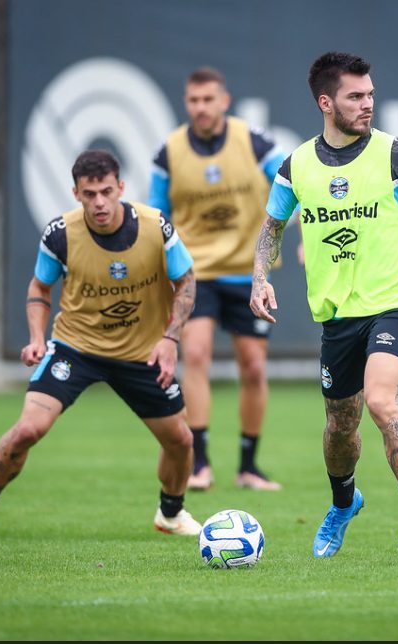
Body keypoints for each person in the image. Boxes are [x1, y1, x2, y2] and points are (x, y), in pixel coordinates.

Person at [250, 52, 398, 558]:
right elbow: (271, 228)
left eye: (370, 95)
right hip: (336, 316)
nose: (368, 104)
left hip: (396, 303)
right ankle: (344, 503)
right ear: (326, 102)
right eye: (355, 97)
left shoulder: (396, 153)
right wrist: (260, 276)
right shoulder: (296, 165)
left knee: (383, 401)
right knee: (341, 424)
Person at [0, 150, 202, 539]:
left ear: (121, 189)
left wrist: (170, 338)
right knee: (28, 430)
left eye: (106, 192)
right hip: (75, 347)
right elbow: (39, 287)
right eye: (90, 193)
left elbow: (187, 281)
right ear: (76, 193)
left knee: (180, 440)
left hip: (142, 351)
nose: (99, 202)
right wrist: (36, 338)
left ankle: (170, 513)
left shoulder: (155, 227)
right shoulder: (60, 234)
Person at [149, 67, 285, 492]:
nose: (201, 108)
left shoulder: (255, 142)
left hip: (249, 272)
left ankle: (248, 465)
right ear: (186, 103)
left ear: (224, 101)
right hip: (197, 273)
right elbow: (157, 218)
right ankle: (200, 462)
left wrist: (303, 236)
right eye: (194, 100)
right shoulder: (168, 153)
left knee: (254, 366)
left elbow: (294, 185)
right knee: (197, 354)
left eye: (209, 100)